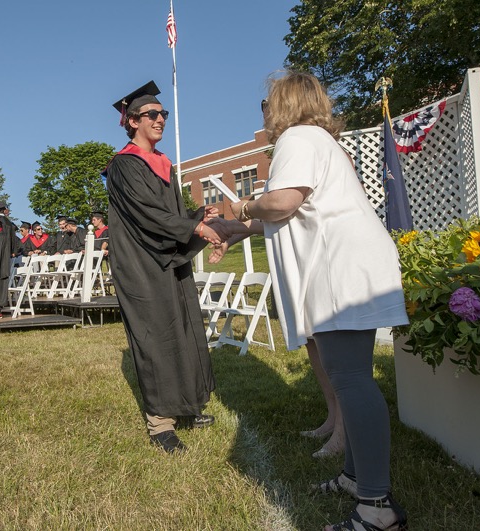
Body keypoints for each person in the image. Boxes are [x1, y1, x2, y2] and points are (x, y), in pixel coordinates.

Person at [209, 71, 409, 531]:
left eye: (269, 101)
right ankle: (356, 478)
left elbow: (280, 203)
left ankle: (376, 507)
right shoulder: (324, 142)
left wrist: (241, 207)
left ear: (285, 104)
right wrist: (239, 228)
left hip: (342, 267)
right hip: (355, 261)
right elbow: (293, 213)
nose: (266, 111)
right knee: (350, 376)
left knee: (353, 380)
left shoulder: (297, 137)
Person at [103, 80, 222, 453]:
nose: (160, 119)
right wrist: (194, 227)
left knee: (182, 329)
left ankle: (186, 403)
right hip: (141, 262)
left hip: (167, 257)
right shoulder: (124, 165)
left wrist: (198, 215)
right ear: (132, 121)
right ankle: (160, 422)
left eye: (163, 114)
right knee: (155, 335)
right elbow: (147, 214)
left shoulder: (163, 163)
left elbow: (168, 214)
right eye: (152, 114)